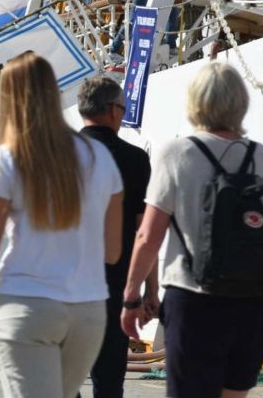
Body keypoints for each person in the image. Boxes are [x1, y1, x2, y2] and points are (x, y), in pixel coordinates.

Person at [0, 52, 123, 397]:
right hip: (88, 312)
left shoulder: (9, 157)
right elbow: (113, 251)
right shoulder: (99, 157)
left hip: (28, 306)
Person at [121, 63, 263, 398]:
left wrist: (132, 297)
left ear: (194, 101)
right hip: (254, 302)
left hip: (194, 300)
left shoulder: (177, 153)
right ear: (241, 102)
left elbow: (148, 236)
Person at [77, 77, 156, 398]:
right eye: (123, 109)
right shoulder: (134, 159)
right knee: (109, 381)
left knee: (61, 378)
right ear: (111, 111)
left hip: (64, 282)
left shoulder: (58, 153)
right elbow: (143, 231)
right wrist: (150, 289)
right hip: (115, 285)